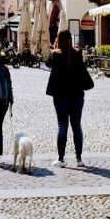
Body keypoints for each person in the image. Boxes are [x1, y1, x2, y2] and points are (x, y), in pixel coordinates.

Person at [46, 29, 91, 167]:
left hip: (60, 96)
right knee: (76, 125)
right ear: (70, 40)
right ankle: (79, 159)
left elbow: (47, 64)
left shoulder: (56, 55)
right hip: (77, 95)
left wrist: (54, 49)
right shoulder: (77, 53)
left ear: (58, 40)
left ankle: (61, 158)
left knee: (62, 125)